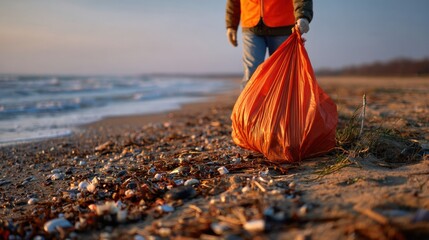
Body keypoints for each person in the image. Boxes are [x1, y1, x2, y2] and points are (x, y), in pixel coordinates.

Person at [225, 0, 313, 87]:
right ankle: (250, 101)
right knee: (251, 74)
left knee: (282, 75)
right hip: (250, 24)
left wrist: (303, 15)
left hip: (282, 25)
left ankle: (280, 101)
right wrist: (231, 25)